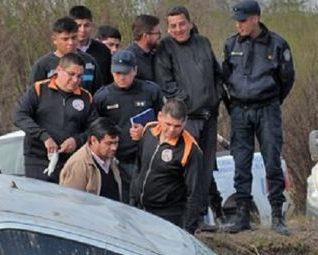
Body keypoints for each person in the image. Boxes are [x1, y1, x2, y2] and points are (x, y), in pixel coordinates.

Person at [221, 0, 295, 236]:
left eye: (243, 20)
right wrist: (232, 105)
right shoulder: (231, 44)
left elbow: (286, 79)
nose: (239, 25)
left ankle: (277, 214)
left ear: (255, 18)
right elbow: (225, 77)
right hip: (240, 110)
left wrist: (271, 99)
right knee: (240, 162)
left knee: (272, 159)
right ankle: (243, 214)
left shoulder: (277, 43)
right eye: (237, 20)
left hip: (267, 108)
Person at [155, 6, 225, 224]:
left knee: (205, 167)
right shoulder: (165, 47)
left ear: (190, 23)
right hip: (187, 118)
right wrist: (187, 102)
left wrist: (216, 97)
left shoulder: (203, 42)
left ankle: (203, 215)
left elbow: (216, 73)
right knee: (188, 167)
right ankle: (187, 218)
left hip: (209, 115)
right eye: (173, 26)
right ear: (168, 28)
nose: (178, 29)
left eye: (182, 24)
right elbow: (166, 82)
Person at [16, 53, 98, 182]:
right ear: (59, 70)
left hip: (71, 160)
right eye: (71, 74)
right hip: (38, 158)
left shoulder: (86, 97)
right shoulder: (39, 89)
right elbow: (19, 116)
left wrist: (77, 140)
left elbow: (94, 128)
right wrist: (44, 137)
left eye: (79, 76)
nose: (75, 80)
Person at [129, 98, 206, 233]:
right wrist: (132, 197)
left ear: (185, 123)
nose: (171, 130)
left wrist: (189, 229)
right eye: (168, 124)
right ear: (160, 117)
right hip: (139, 208)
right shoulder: (149, 130)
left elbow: (194, 193)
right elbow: (139, 165)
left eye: (177, 126)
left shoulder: (190, 150)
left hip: (168, 215)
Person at [92, 49, 162, 184]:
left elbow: (165, 122)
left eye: (126, 73)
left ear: (135, 70)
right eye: (118, 73)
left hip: (148, 156)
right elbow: (95, 130)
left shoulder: (151, 91)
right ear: (112, 72)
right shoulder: (102, 97)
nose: (122, 77)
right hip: (117, 159)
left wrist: (146, 131)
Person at [60, 117, 125, 201]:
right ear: (93, 140)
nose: (114, 148)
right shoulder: (79, 165)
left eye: (116, 143)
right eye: (109, 143)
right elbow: (71, 203)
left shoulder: (111, 159)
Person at [30, 17, 101, 94]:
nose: (70, 43)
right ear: (54, 40)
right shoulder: (42, 66)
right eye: (65, 39)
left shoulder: (89, 62)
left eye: (74, 38)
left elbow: (98, 94)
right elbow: (34, 96)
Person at [70, 5, 112, 88]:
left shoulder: (103, 50)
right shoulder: (67, 50)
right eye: (78, 26)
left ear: (92, 25)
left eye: (86, 25)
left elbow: (109, 80)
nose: (82, 30)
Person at [127, 14, 161, 83]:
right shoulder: (130, 58)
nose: (159, 37)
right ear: (145, 36)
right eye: (157, 33)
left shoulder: (156, 53)